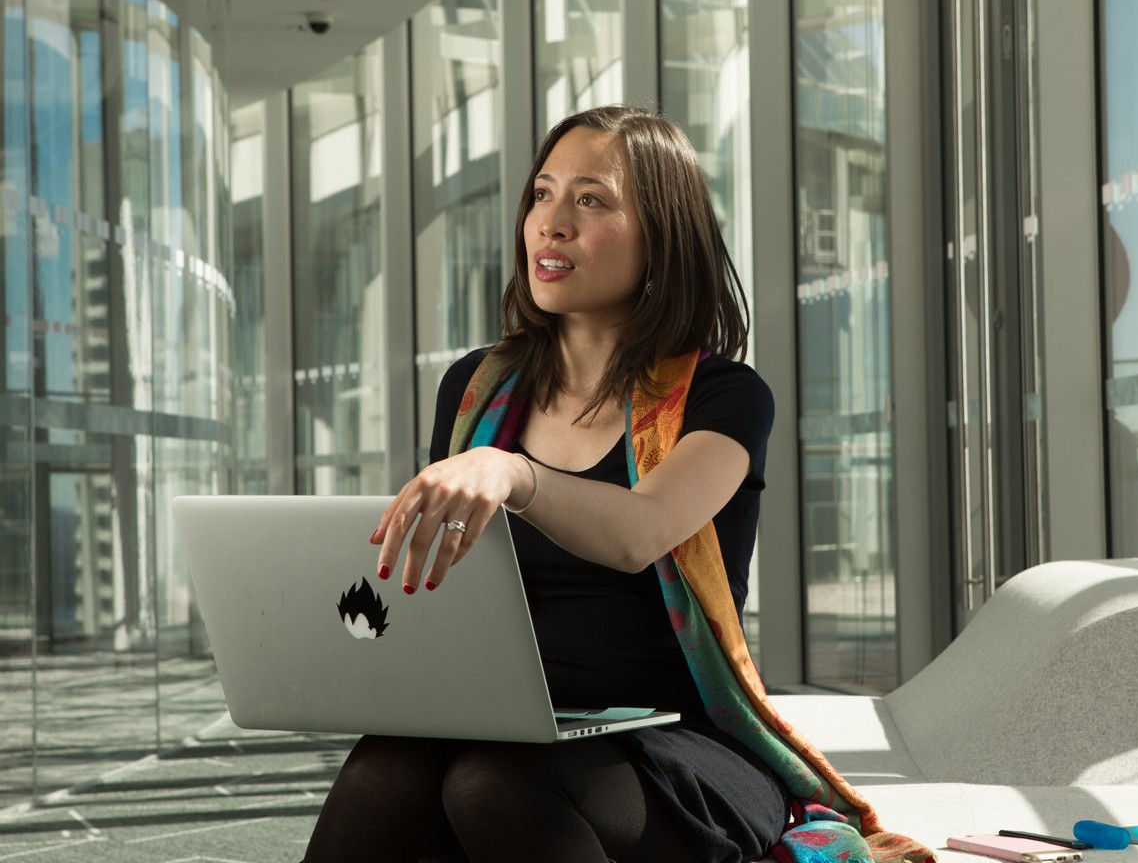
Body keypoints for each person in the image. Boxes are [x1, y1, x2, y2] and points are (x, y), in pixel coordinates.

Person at [301, 106, 932, 863]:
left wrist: (517, 474)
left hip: (675, 738)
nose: (550, 222)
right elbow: (443, 584)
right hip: (511, 721)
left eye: (591, 199)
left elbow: (642, 530)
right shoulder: (474, 389)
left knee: (495, 784)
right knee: (385, 770)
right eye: (542, 193)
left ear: (661, 239)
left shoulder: (724, 396)